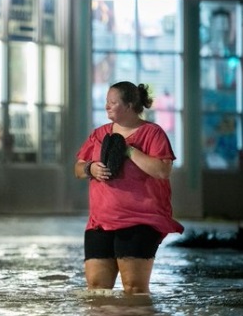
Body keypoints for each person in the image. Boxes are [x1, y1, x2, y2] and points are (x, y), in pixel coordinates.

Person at [74, 81, 184, 294]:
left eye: (113, 102)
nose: (107, 106)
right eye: (106, 102)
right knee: (96, 289)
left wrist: (130, 151)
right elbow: (77, 168)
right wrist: (90, 168)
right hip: (100, 222)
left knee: (134, 289)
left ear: (130, 105)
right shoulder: (99, 134)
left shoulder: (152, 133)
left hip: (139, 222)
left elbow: (163, 170)